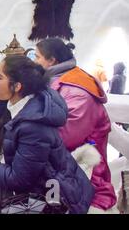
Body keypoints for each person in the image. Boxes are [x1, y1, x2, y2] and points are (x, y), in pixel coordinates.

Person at [0, 55, 94, 214]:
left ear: (17, 86)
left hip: (39, 203)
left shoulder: (34, 125)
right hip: (40, 186)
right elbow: (12, 140)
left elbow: (18, 180)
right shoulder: (30, 103)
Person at [35, 38, 117, 212]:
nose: (34, 62)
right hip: (63, 169)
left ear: (52, 61)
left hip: (84, 174)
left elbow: (64, 137)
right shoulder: (59, 78)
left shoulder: (78, 92)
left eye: (37, 57)